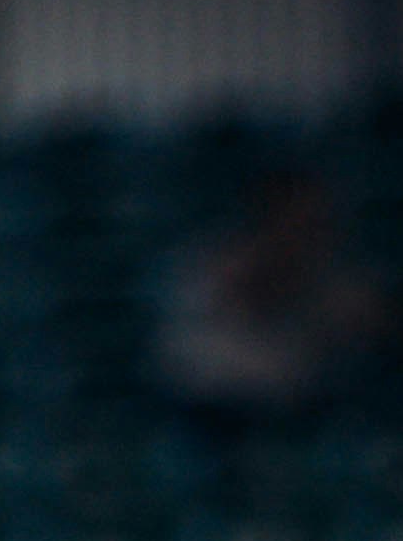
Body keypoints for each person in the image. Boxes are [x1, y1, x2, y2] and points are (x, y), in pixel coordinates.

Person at [155, 167, 383, 421]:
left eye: (313, 223)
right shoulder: (215, 266)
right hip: (215, 413)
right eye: (295, 219)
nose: (301, 231)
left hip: (302, 412)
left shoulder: (327, 276)